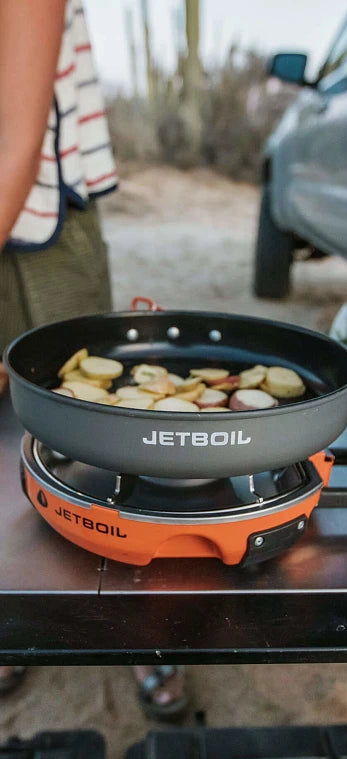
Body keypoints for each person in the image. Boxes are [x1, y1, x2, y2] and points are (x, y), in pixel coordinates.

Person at [0, 0, 188, 721]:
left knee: (90, 438)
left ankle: (142, 627)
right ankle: (18, 615)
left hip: (33, 220)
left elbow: (17, 137)